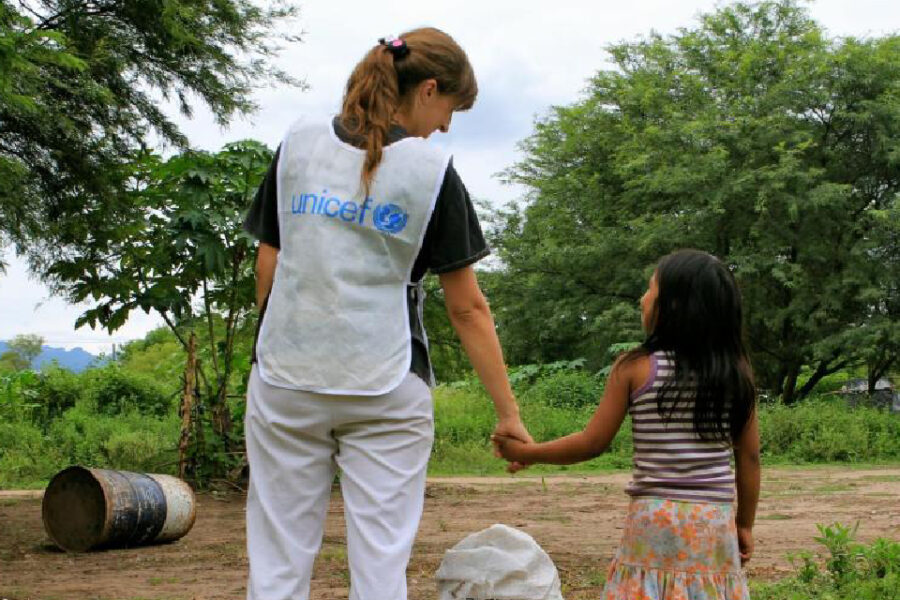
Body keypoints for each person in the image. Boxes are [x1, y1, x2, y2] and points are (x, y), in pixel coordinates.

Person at [241, 27, 532, 600]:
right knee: (380, 569)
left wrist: (278, 347)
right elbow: (467, 308)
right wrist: (508, 413)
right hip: (387, 383)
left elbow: (267, 263)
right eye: (451, 110)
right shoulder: (432, 172)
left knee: (276, 563)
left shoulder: (298, 143)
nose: (445, 127)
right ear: (428, 90)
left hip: (285, 378)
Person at [494, 249, 760, 600]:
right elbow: (749, 458)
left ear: (673, 307)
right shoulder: (736, 374)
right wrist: (744, 524)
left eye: (651, 289)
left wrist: (528, 452)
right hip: (713, 521)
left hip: (652, 518)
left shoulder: (635, 368)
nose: (642, 298)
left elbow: (592, 443)